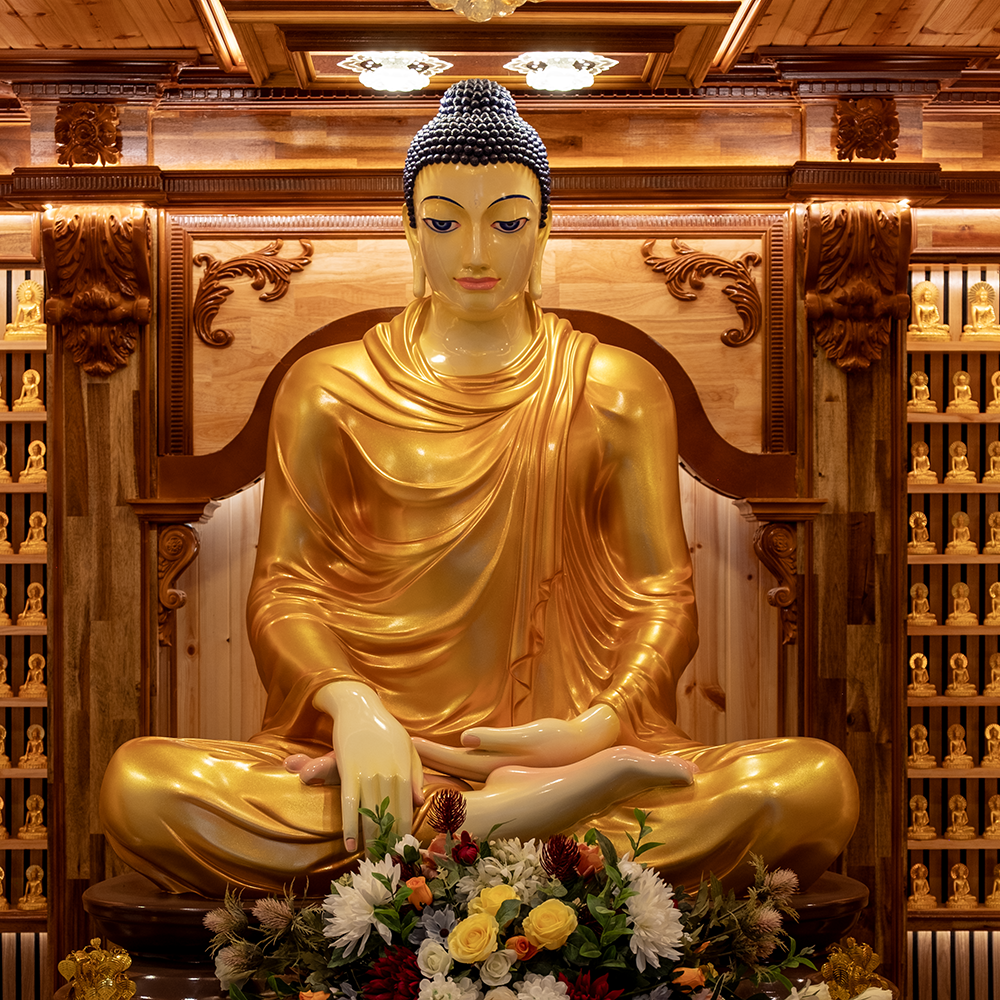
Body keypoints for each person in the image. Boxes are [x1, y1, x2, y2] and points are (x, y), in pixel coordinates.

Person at [100, 79, 858, 898]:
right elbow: (288, 591)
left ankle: (470, 825)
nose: (474, 254)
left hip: (569, 751)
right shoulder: (326, 387)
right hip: (374, 762)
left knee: (811, 786)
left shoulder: (616, 386)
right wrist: (356, 711)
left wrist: (590, 729)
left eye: (505, 223)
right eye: (444, 222)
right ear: (408, 228)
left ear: (543, 231)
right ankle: (502, 822)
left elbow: (659, 595)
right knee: (139, 787)